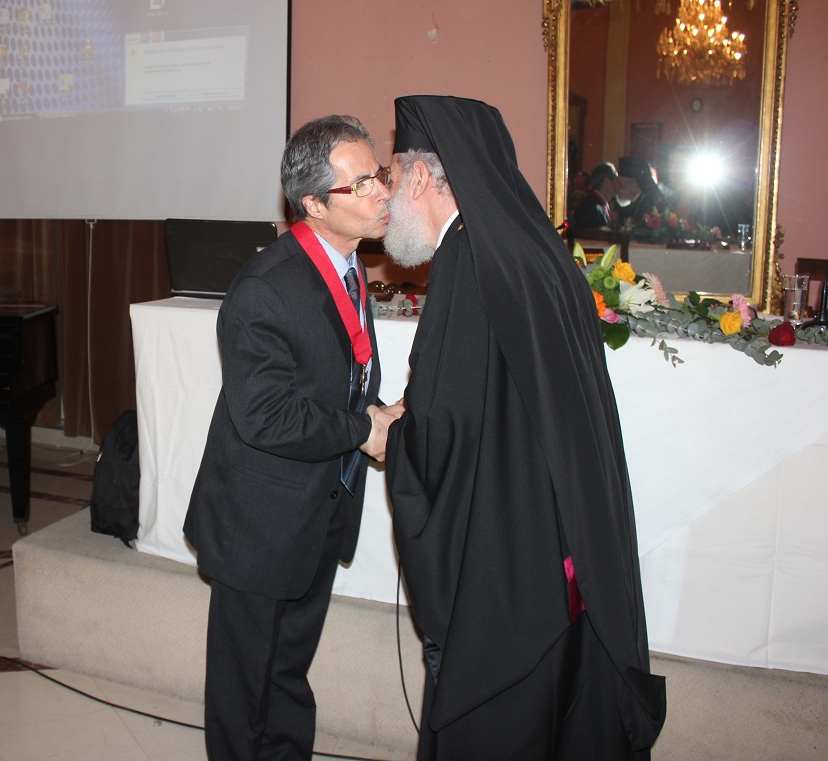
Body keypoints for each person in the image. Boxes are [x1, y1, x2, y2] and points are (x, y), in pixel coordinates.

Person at [381, 95, 666, 760]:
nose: (387, 196)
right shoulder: (530, 253)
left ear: (420, 176)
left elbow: (444, 433)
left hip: (505, 577)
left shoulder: (467, 263)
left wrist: (392, 437)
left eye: (391, 176)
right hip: (558, 555)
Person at [184, 114, 400, 760]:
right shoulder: (266, 287)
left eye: (378, 174)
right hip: (261, 521)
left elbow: (337, 377)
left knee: (287, 672)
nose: (382, 192)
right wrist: (363, 429)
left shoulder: (346, 265)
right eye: (361, 184)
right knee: (244, 685)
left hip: (318, 507)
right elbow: (266, 415)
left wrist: (381, 414)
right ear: (313, 204)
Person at [572, 160, 618, 229]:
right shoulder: (592, 207)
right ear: (607, 182)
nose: (618, 186)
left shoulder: (597, 204)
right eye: (616, 182)